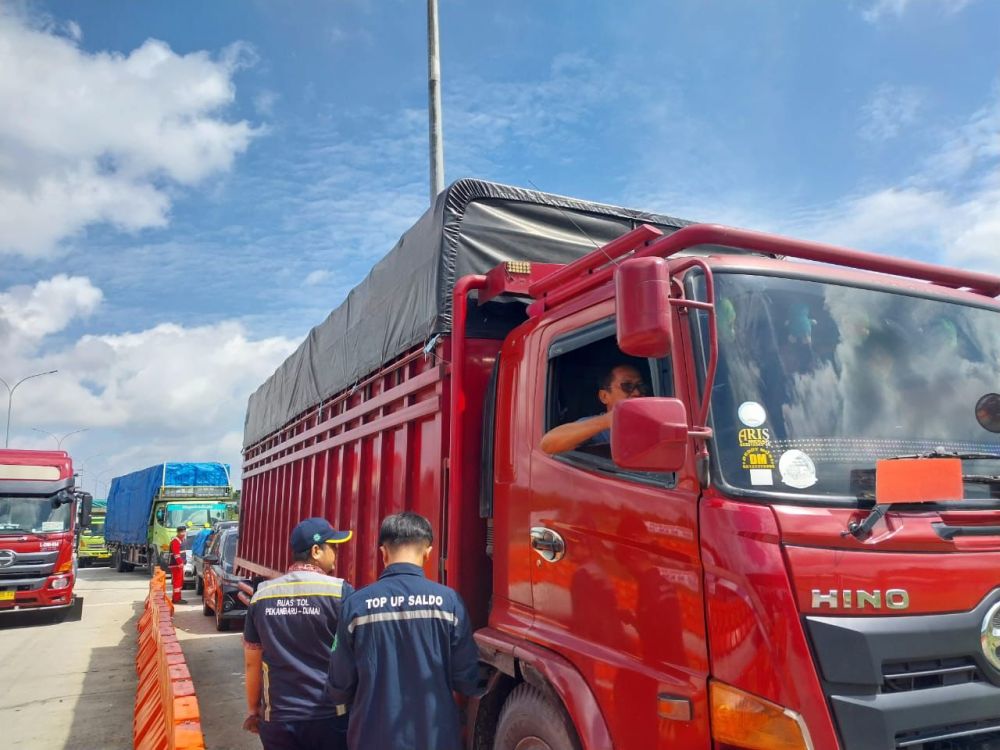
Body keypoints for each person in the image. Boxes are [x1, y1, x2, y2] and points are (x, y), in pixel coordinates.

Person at [326, 511, 480, 750]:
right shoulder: (450, 603)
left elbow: (339, 685)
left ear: (383, 553)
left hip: (371, 738)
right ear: (428, 553)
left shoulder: (356, 605)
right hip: (436, 739)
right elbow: (467, 680)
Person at [243, 517, 354, 750]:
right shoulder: (340, 593)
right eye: (333, 547)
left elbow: (252, 663)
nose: (336, 552)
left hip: (279, 719)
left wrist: (254, 710)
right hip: (328, 716)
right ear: (316, 550)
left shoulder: (262, 595)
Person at [539, 363, 648, 454]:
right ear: (604, 396)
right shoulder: (597, 428)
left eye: (640, 386)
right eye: (627, 386)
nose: (637, 392)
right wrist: (607, 420)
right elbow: (548, 444)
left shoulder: (652, 421)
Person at [168, 525, 187, 605]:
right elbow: (176, 554)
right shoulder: (176, 541)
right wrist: (180, 563)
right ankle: (176, 599)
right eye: (182, 532)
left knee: (179, 582)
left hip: (178, 565)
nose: (183, 534)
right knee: (177, 582)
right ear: (178, 532)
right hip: (176, 565)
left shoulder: (180, 540)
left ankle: (178, 598)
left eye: (184, 532)